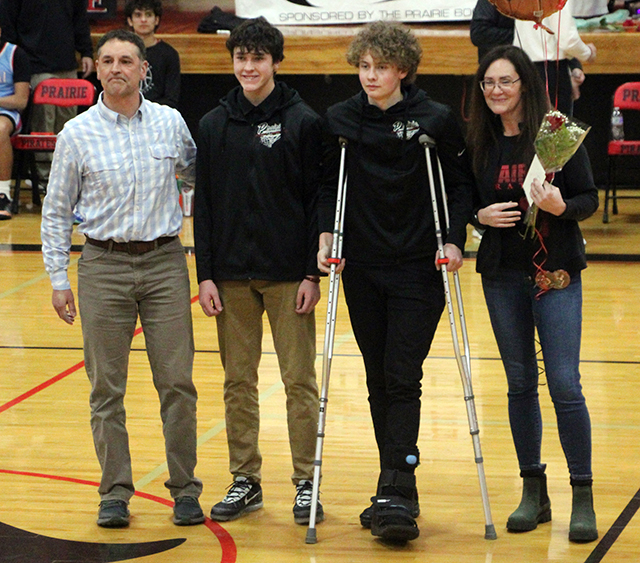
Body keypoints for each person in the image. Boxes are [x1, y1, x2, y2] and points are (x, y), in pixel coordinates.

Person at [41, 29, 204, 529]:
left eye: (126, 60)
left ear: (143, 70)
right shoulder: (77, 133)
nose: (116, 68)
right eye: (107, 60)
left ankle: (185, 489)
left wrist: (186, 206)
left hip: (164, 264)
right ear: (96, 69)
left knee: (177, 383)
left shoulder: (171, 123)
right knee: (106, 389)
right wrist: (58, 277)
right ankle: (114, 492)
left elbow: (194, 174)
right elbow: (56, 210)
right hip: (102, 266)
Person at [317, 20, 473, 543]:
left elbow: (458, 186)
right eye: (363, 66)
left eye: (381, 67)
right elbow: (327, 186)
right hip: (362, 268)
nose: (370, 76)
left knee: (403, 375)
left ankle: (396, 487)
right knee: (378, 378)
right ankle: (396, 486)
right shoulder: (341, 120)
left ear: (403, 69)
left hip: (417, 268)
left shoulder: (434, 119)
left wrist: (455, 240)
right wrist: (326, 234)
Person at [466, 44, 599, 542]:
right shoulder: (478, 140)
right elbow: (463, 199)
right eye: (488, 83)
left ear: (525, 83)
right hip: (502, 275)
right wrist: (477, 216)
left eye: (506, 81)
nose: (496, 90)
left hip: (556, 273)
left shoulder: (555, 134)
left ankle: (582, 494)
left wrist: (563, 207)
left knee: (564, 384)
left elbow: (588, 198)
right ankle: (533, 491)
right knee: (520, 383)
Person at [194, 17, 323, 525]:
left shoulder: (303, 121)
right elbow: (204, 204)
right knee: (237, 383)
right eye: (241, 58)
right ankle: (245, 479)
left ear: (275, 62)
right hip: (229, 277)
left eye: (258, 58)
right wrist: (205, 274)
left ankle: (307, 482)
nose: (248, 67)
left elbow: (315, 202)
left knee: (299, 382)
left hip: (290, 276)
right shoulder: (213, 124)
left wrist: (312, 274)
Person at [0, 0, 94, 184]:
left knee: (68, 123)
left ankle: (68, 176)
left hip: (67, 63)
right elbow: (7, 26)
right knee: (44, 121)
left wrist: (86, 51)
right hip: (33, 63)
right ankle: (44, 177)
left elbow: (80, 19)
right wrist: (15, 61)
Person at [513, 0, 596, 115]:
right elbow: (567, 40)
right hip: (549, 71)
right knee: (555, 125)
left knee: (530, 121)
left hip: (523, 65)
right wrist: (587, 53)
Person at [125, 0, 181, 108]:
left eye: (148, 15)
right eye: (138, 15)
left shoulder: (169, 54)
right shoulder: (121, 52)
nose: (143, 20)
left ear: (156, 20)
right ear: (130, 21)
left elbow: (171, 99)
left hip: (158, 114)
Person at [0, 26, 30, 219]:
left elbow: (21, 101)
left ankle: (3, 194)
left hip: (6, 112)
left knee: (0, 128)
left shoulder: (15, 54)